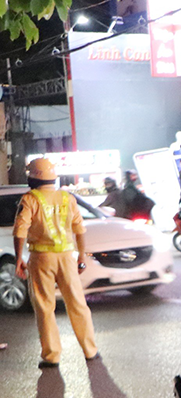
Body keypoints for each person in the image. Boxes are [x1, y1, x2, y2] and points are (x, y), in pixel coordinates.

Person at [12, 158, 99, 369]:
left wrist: (18, 259)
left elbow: (20, 230)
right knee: (77, 304)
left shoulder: (29, 199)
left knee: (44, 306)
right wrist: (81, 256)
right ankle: (90, 350)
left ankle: (51, 355)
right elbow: (80, 228)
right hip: (67, 258)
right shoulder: (67, 198)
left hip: (41, 259)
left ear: (32, 177)